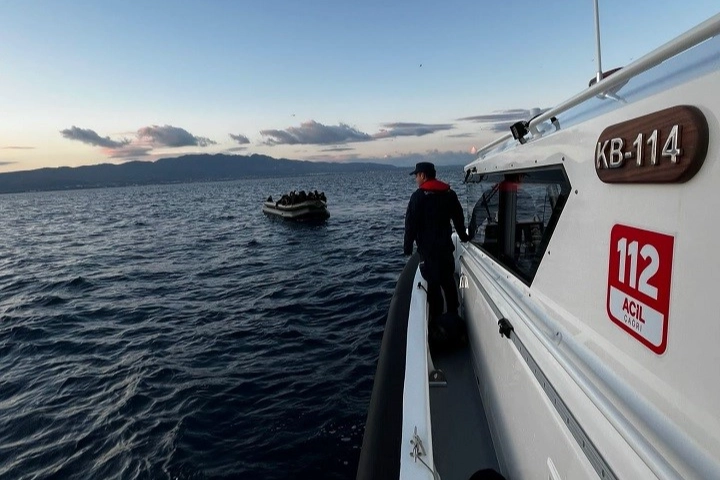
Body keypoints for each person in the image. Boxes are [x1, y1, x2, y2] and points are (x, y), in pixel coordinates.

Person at [404, 162, 470, 321]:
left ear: (423, 175)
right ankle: (453, 314)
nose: (416, 179)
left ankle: (437, 319)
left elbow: (410, 225)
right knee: (448, 281)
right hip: (446, 249)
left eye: (417, 176)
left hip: (428, 253)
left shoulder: (418, 197)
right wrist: (463, 236)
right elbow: (458, 218)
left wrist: (407, 248)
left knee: (433, 286)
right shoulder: (449, 194)